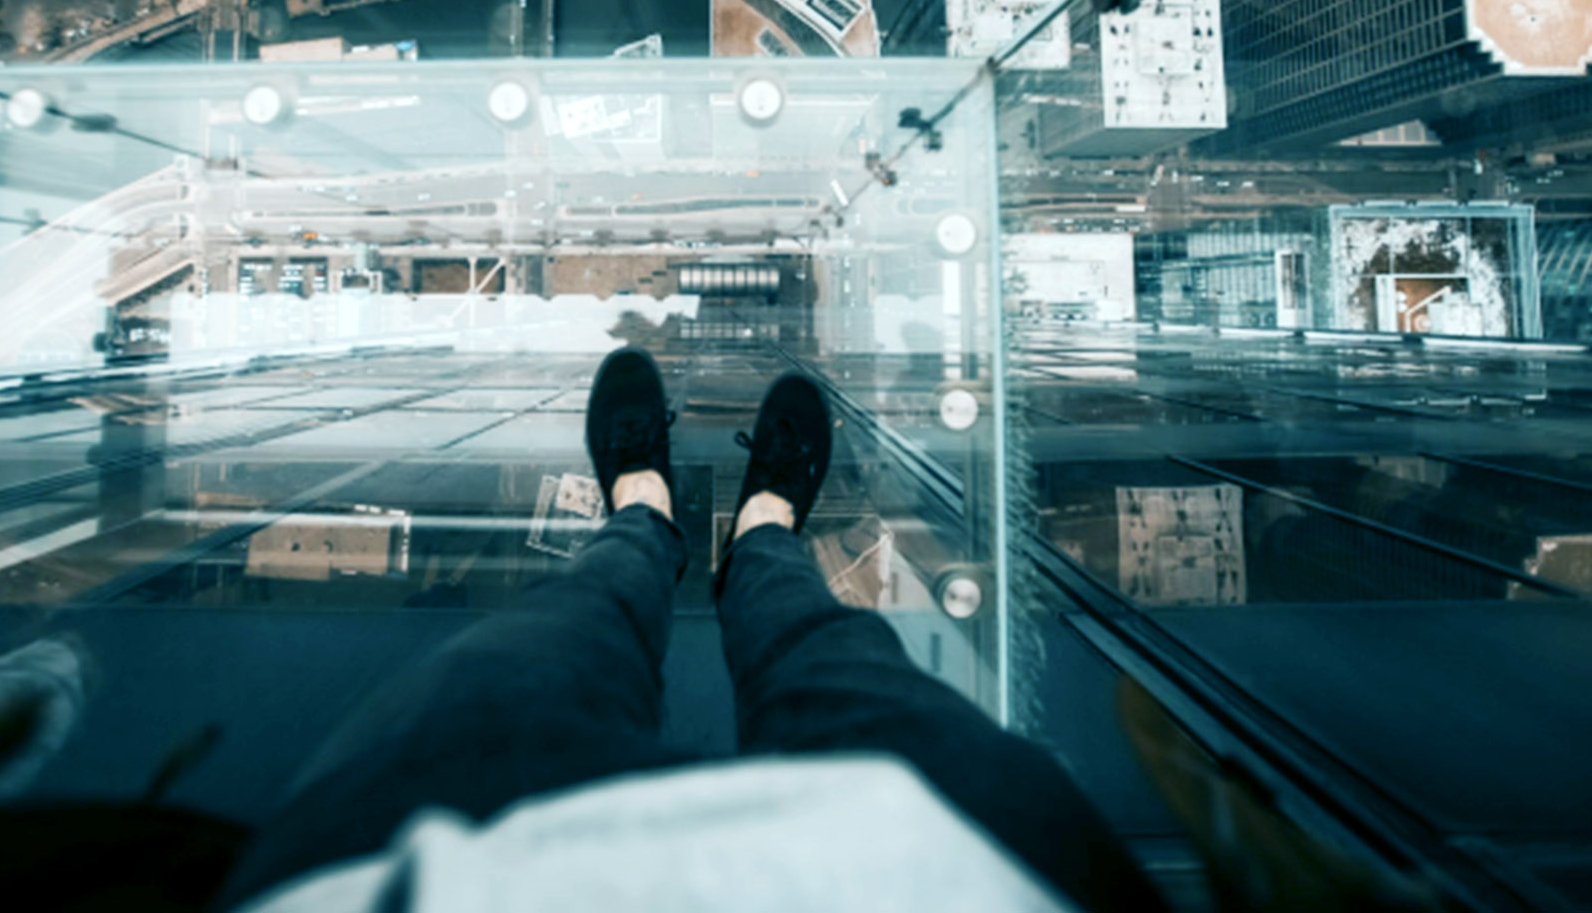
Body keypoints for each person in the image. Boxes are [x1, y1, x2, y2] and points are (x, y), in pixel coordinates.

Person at [215, 347, 1167, 912]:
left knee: (558, 636)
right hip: (949, 871)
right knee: (833, 655)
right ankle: (761, 527)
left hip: (420, 866)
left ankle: (644, 505)